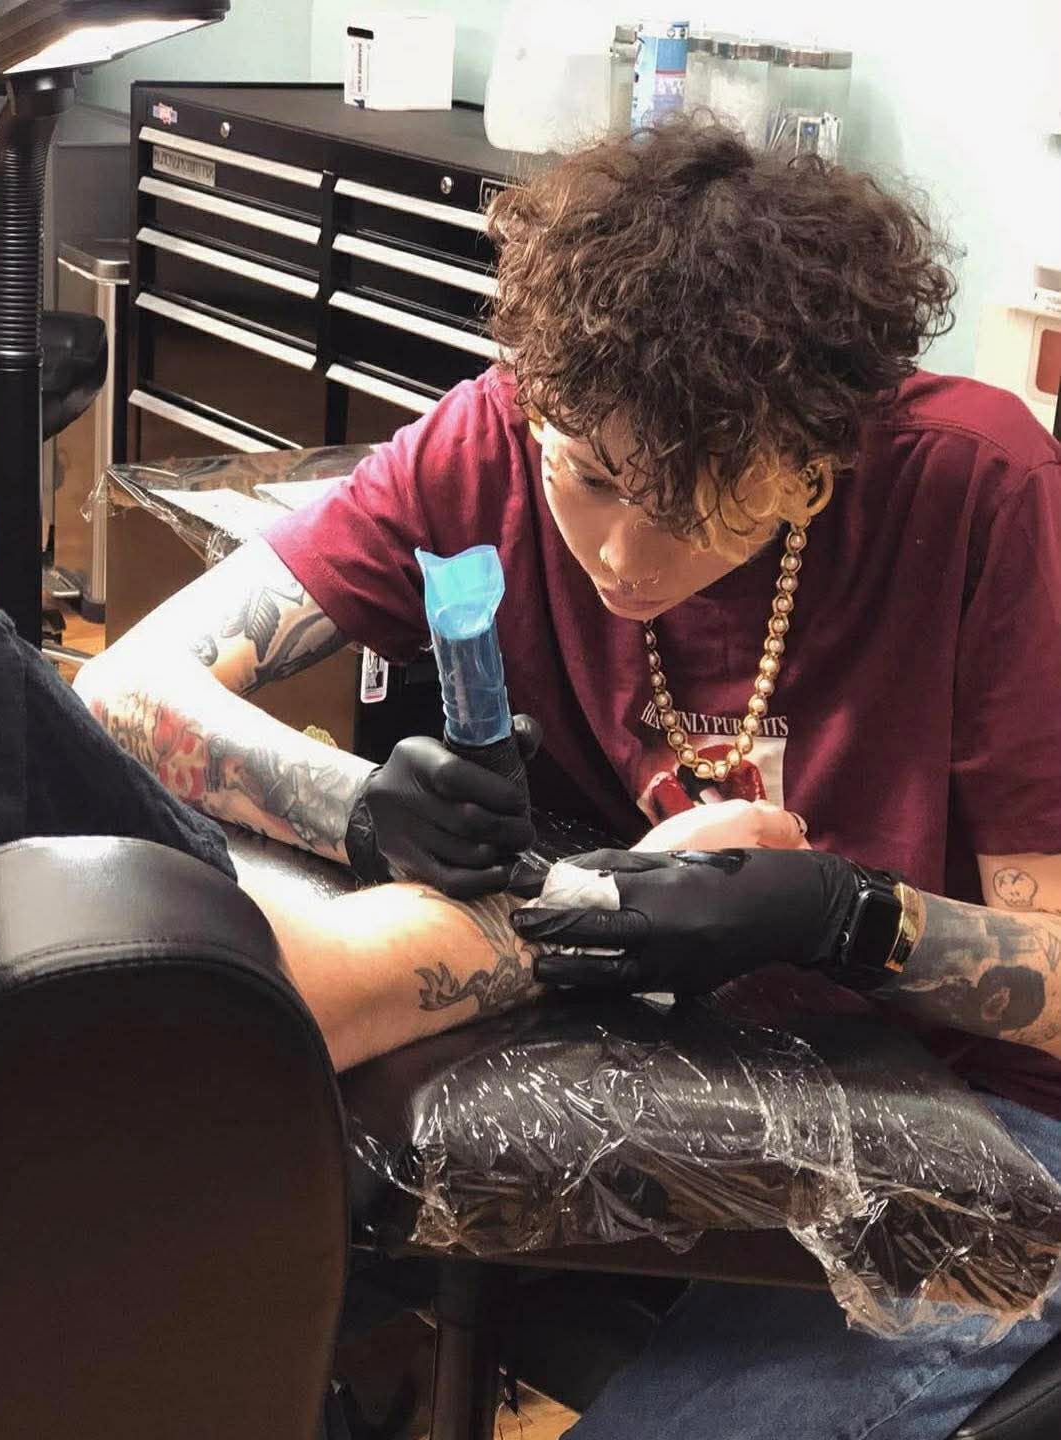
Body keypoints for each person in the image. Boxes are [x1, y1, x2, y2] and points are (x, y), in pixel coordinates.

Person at [72, 115, 1061, 1437]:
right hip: (662, 1035)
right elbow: (126, 688)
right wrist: (353, 806)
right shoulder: (486, 444)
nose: (624, 557)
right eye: (588, 479)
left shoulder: (979, 491)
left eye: (707, 496)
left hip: (984, 1112)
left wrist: (848, 920)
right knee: (200, 1276)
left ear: (825, 453)